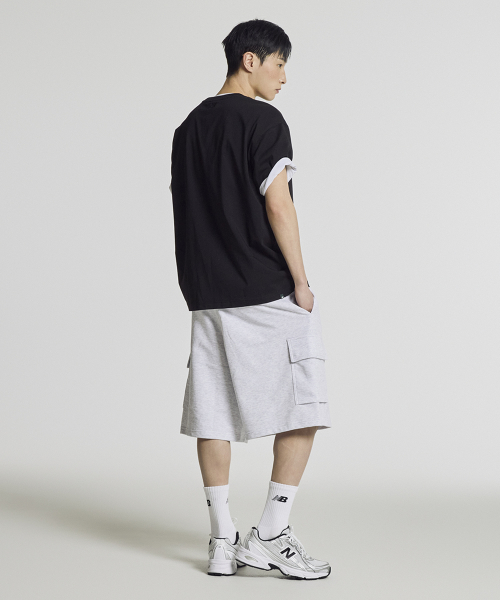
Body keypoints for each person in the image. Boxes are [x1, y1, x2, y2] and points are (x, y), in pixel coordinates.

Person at [169, 19, 332, 580]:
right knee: (306, 402)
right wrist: (301, 282)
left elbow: (187, 211)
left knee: (213, 407)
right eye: (279, 64)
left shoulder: (188, 128)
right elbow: (278, 204)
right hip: (264, 286)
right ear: (250, 60)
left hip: (207, 293)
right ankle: (271, 533)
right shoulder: (264, 120)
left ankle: (222, 540)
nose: (284, 77)